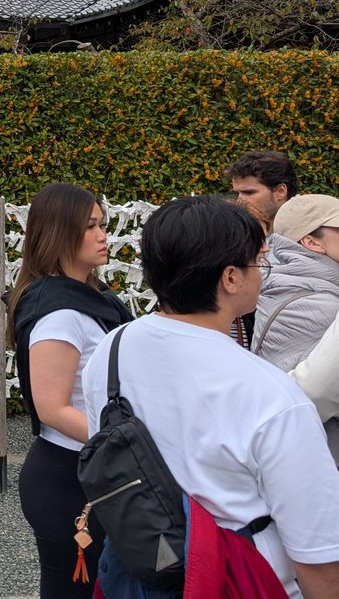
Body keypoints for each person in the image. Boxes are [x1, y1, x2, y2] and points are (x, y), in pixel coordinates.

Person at [82, 196, 339, 597]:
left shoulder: (112, 349)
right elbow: (319, 557)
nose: (264, 272)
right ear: (231, 278)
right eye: (259, 262)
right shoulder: (271, 394)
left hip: (144, 564)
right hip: (238, 578)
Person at [7, 182, 130, 598]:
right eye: (90, 226)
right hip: (70, 478)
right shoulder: (58, 312)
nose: (102, 235)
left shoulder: (93, 298)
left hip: (94, 467)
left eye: (102, 224)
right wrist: (130, 442)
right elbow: (52, 408)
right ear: (58, 233)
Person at [258, 194, 339, 463]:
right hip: (322, 459)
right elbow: (316, 393)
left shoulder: (286, 284)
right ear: (311, 242)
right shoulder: (320, 304)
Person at [228, 149, 299, 233]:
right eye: (237, 193)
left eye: (249, 192)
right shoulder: (235, 233)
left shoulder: (312, 233)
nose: (239, 201)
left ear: (280, 191)